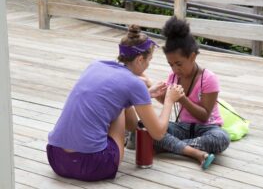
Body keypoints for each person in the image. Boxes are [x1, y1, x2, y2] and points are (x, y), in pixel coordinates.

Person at [46, 25, 184, 182]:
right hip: (92, 165)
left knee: (112, 101)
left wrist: (144, 95)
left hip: (56, 158)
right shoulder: (134, 84)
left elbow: (131, 123)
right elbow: (158, 133)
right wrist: (169, 100)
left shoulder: (96, 65)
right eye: (149, 61)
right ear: (140, 59)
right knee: (118, 108)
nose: (148, 65)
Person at [154, 16, 230, 169]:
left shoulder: (208, 78)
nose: (175, 69)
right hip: (182, 127)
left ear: (193, 56)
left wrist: (182, 99)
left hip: (207, 128)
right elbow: (168, 102)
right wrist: (160, 95)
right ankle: (193, 151)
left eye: (179, 64)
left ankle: (172, 146)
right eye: (171, 64)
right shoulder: (173, 77)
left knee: (221, 138)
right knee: (150, 128)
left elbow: (204, 115)